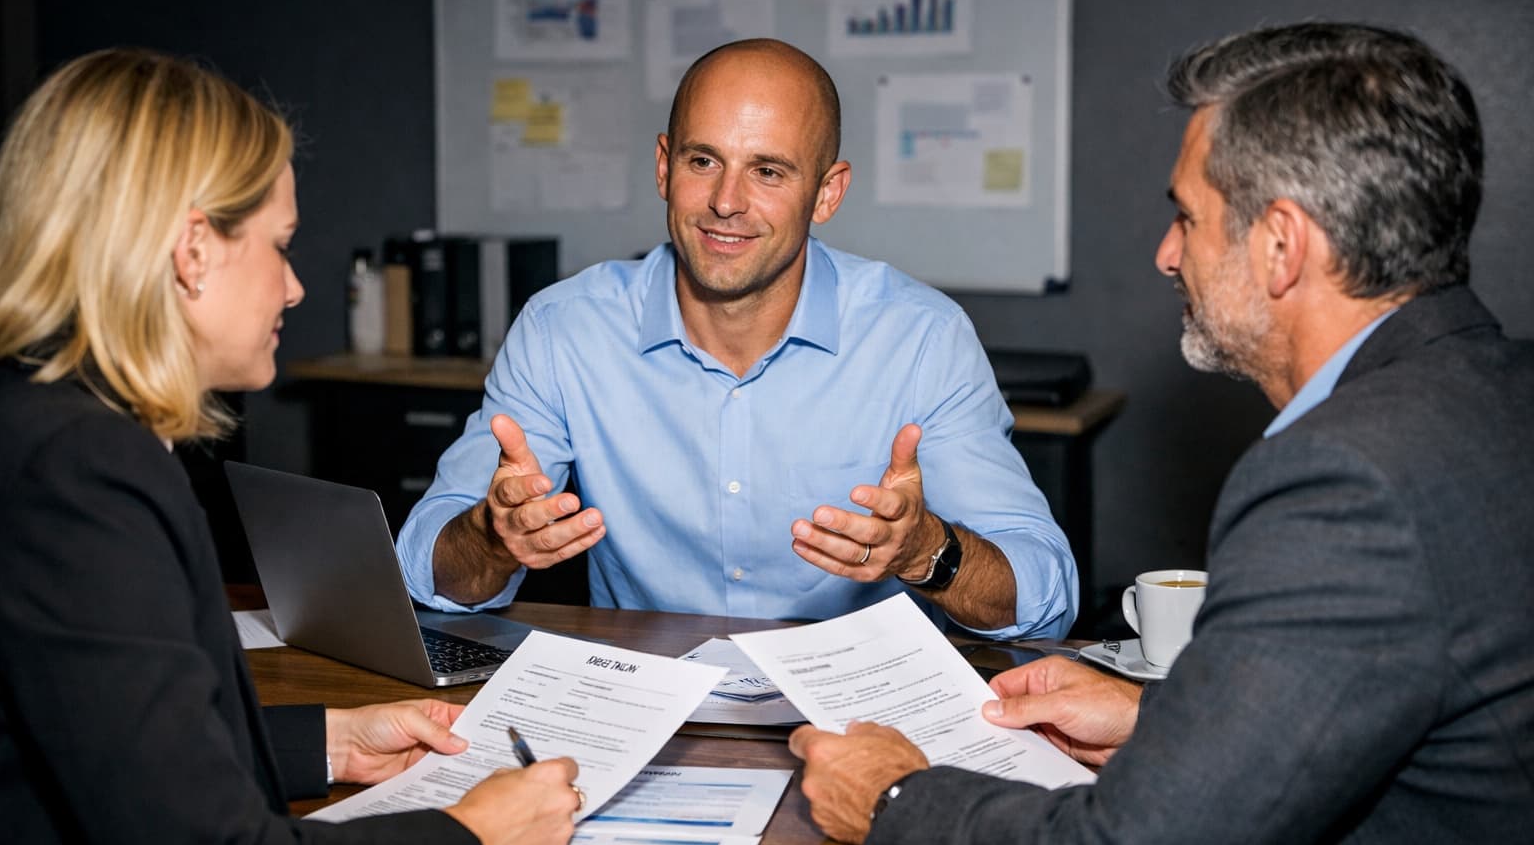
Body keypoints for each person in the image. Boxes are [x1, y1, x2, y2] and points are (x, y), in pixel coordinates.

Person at [788, 22, 1534, 845]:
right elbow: (1399, 696)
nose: (1166, 255)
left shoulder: (1344, 482)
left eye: (1186, 218)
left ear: (1281, 245)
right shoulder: (1499, 393)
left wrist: (895, 798)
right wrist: (1167, 719)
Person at [0, 49, 583, 845]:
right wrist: (471, 840)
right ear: (194, 250)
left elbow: (93, 736)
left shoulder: (42, 426)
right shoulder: (82, 475)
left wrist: (328, 742)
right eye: (279, 245)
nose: (297, 285)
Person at [398, 38, 1076, 638]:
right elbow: (422, 571)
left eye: (768, 171)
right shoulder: (563, 330)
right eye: (703, 161)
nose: (726, 201)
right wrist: (489, 538)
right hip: (646, 705)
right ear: (664, 167)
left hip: (855, 717)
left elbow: (1045, 596)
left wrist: (927, 552)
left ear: (827, 193)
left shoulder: (921, 339)